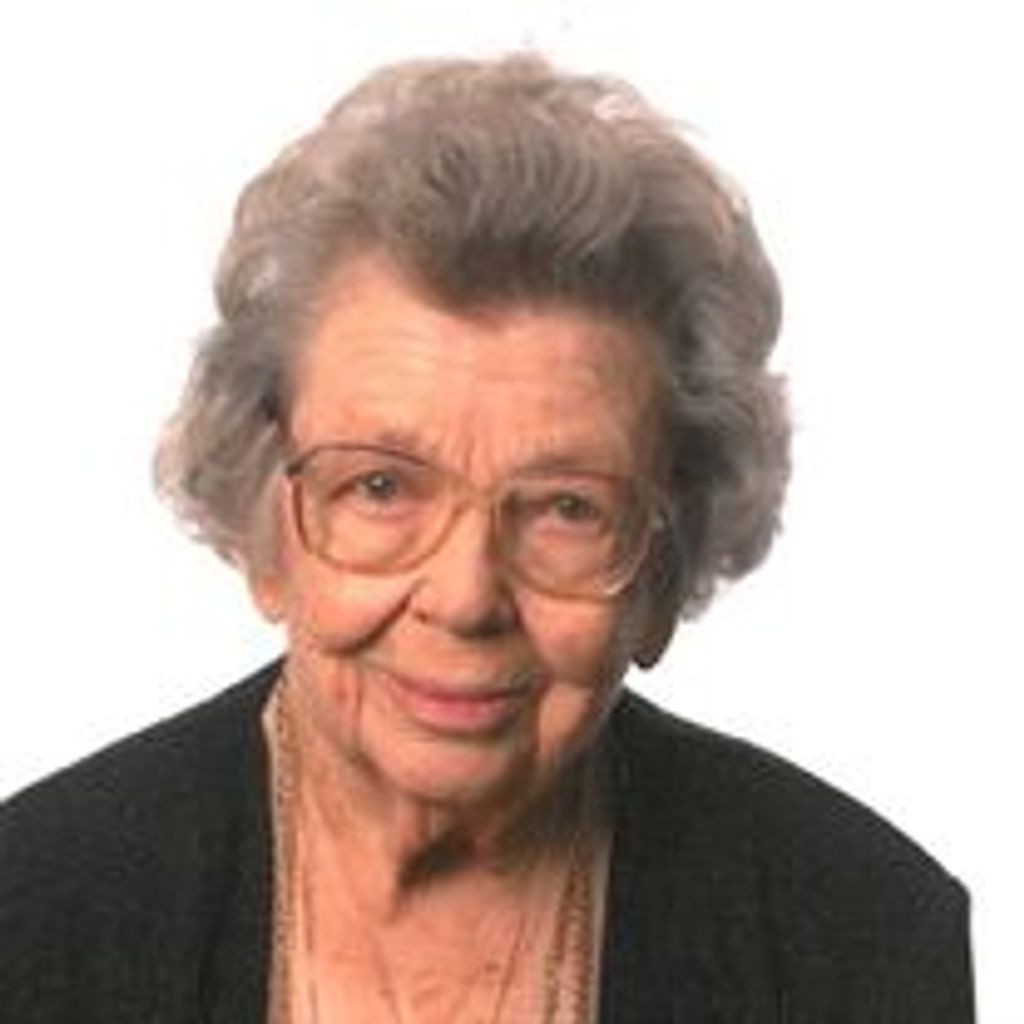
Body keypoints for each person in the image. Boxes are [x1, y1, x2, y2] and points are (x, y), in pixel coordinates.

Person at [0, 54, 973, 1022]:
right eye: (381, 486)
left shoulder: (855, 937)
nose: (466, 597)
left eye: (566, 508)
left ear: (662, 573)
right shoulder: (32, 915)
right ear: (267, 531)